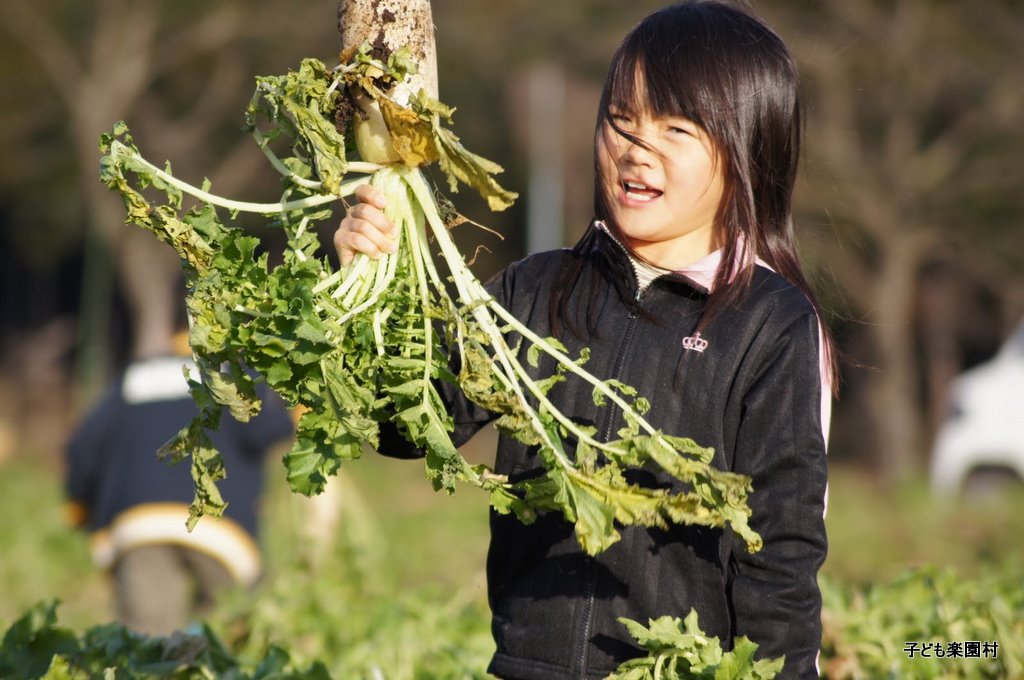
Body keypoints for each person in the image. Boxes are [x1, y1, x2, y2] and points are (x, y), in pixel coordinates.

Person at [336, 1, 835, 677]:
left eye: (676, 128)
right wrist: (375, 287)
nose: (636, 147)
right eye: (621, 121)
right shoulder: (536, 292)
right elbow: (410, 427)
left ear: (745, 147)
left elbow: (782, 551)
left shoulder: (770, 324)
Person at [64, 322, 294, 636]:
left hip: (141, 525)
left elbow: (83, 447)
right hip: (221, 531)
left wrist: (81, 506)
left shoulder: (134, 378)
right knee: (229, 636)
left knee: (149, 644)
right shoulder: (234, 374)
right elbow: (267, 429)